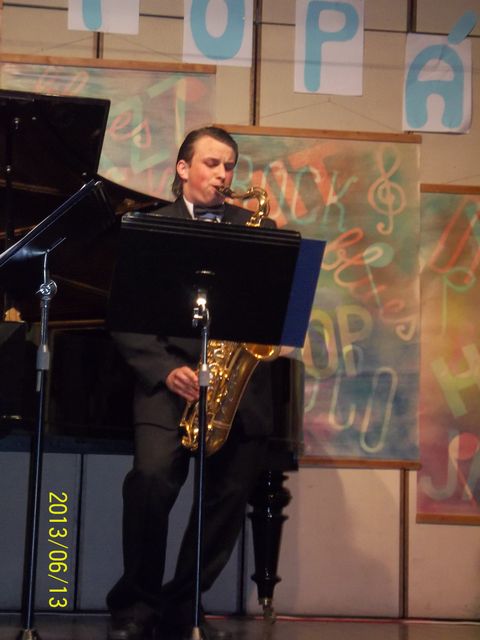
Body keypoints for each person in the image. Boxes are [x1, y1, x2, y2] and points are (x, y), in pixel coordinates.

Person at [107, 126, 276, 640]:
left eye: (230, 166)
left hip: (236, 389)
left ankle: (184, 604)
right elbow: (125, 317)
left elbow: (276, 313)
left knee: (230, 494)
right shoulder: (150, 227)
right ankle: (136, 604)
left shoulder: (257, 228)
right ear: (183, 168)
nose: (223, 175)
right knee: (151, 481)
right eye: (212, 164)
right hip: (169, 384)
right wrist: (166, 369)